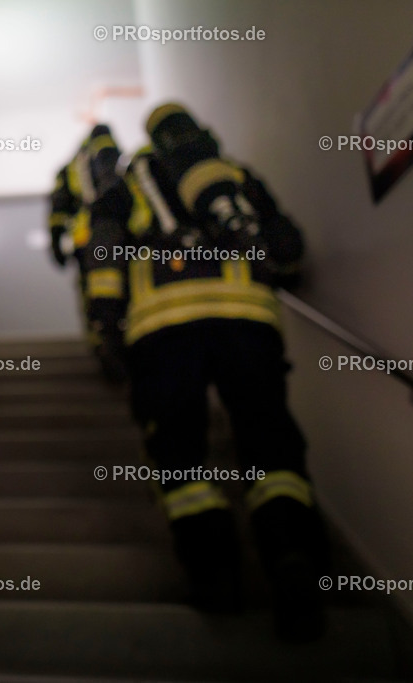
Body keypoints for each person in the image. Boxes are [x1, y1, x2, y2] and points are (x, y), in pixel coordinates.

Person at [92, 103, 328, 642]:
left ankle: (216, 575)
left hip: (163, 327)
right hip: (247, 320)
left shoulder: (127, 183)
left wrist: (105, 323)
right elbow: (285, 245)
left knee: (178, 454)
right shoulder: (232, 175)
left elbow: (103, 254)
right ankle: (291, 555)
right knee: (270, 444)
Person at [47, 124, 132, 383]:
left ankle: (104, 346)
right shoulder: (119, 163)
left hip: (86, 241)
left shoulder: (71, 168)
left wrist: (56, 241)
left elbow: (59, 208)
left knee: (94, 295)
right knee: (118, 290)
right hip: (117, 236)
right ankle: (115, 346)